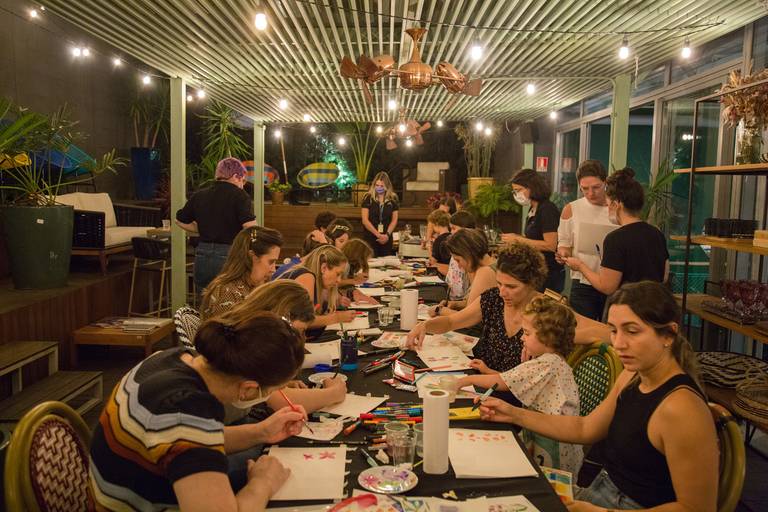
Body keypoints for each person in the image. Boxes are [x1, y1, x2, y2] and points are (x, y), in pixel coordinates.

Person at [478, 281, 718, 512]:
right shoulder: (632, 376)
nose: (619, 343)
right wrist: (513, 413)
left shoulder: (682, 408)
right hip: (599, 494)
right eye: (614, 331)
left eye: (632, 331)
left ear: (668, 335)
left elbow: (696, 507)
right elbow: (585, 428)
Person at [89, 312, 307, 510]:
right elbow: (187, 429)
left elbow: (195, 438)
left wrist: (261, 432)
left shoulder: (175, 358)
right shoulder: (185, 410)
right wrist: (263, 483)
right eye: (276, 389)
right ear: (248, 389)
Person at [407, 242, 610, 373]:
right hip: (481, 382)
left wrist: (565, 336)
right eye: (499, 283)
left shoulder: (548, 309)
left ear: (532, 282)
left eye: (512, 287)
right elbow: (452, 321)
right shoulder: (493, 299)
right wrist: (426, 325)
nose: (503, 292)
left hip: (514, 395)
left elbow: (607, 333)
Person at [456, 296, 581, 475]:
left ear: (549, 338)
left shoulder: (547, 364)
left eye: (527, 333)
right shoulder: (552, 361)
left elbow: (503, 382)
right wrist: (489, 370)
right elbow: (512, 380)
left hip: (553, 450)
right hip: (550, 438)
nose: (522, 338)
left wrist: (465, 381)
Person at [219, 281, 348, 415]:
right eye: (300, 330)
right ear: (281, 319)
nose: (301, 339)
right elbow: (282, 403)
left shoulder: (246, 330)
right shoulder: (251, 343)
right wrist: (333, 393)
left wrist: (277, 386)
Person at [564, 168, 669, 297]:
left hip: (627, 306)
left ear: (616, 205)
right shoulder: (657, 234)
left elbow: (607, 287)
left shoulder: (615, 239)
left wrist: (580, 266)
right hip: (653, 303)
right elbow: (664, 277)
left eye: (608, 205)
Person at [176, 157, 258, 292]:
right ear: (235, 176)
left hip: (203, 254)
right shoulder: (240, 195)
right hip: (228, 254)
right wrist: (255, 244)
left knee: (205, 301)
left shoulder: (200, 195)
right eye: (242, 180)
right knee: (228, 301)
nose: (243, 185)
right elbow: (251, 227)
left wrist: (200, 229)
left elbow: (179, 220)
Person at [556, 160, 612, 320]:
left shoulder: (616, 208)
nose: (590, 193)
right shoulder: (572, 209)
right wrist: (563, 254)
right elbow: (564, 243)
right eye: (584, 189)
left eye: (596, 187)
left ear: (605, 182)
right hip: (582, 283)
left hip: (613, 281)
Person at [201, 226, 284, 319]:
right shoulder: (227, 293)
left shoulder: (253, 287)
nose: (273, 270)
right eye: (271, 262)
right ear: (252, 257)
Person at [503, 168, 564, 292]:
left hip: (549, 272)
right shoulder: (532, 209)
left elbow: (551, 245)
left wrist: (519, 240)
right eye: (514, 191)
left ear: (531, 187)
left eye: (518, 190)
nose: (516, 195)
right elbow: (534, 239)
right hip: (536, 269)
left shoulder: (547, 209)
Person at [278, 245, 356, 328]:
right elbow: (302, 321)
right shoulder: (306, 276)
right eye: (337, 274)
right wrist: (337, 318)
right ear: (324, 268)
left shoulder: (318, 282)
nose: (339, 280)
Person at [430, 228, 497, 317]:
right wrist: (456, 304)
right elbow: (478, 305)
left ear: (467, 254)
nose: (459, 266)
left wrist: (439, 310)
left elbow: (468, 318)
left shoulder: (486, 272)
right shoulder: (493, 264)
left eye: (458, 260)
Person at [361, 171, 399, 256]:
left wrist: (387, 235)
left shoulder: (393, 199)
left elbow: (394, 220)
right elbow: (365, 220)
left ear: (387, 186)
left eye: (382, 186)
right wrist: (378, 235)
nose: (379, 188)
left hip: (387, 237)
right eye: (377, 185)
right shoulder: (368, 198)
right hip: (370, 237)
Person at [443, 210, 476, 300]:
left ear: (465, 229)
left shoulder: (469, 253)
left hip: (462, 299)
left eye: (454, 228)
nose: (451, 232)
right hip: (450, 295)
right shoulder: (456, 247)